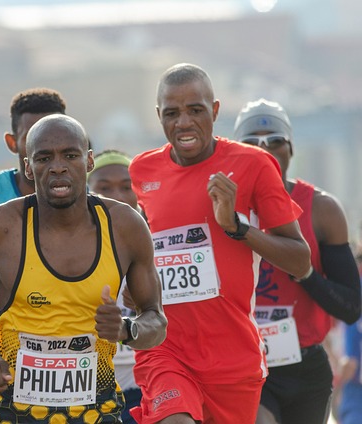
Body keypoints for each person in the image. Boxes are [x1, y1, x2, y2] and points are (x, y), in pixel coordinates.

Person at [0, 114, 167, 422]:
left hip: (97, 411)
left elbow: (156, 321)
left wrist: (126, 329)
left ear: (89, 161)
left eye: (71, 155)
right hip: (19, 414)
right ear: (27, 166)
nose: (58, 166)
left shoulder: (125, 226)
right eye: (44, 158)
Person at [128, 63, 312, 424]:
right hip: (166, 348)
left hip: (232, 356)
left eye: (195, 110)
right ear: (158, 116)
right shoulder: (142, 171)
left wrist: (237, 227)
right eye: (172, 113)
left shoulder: (254, 165)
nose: (183, 123)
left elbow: (301, 261)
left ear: (214, 110)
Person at [233, 98, 361, 424]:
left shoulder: (321, 209)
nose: (265, 151)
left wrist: (304, 273)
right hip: (244, 362)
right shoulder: (223, 209)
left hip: (305, 365)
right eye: (252, 144)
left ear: (291, 148)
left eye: (275, 141)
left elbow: (350, 305)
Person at [87, 149, 143, 423]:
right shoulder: (70, 250)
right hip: (92, 390)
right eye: (104, 188)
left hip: (148, 389)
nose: (118, 197)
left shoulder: (157, 243)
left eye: (126, 187)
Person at [0, 88, 67, 211]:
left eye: (55, 136)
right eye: (32, 137)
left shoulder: (85, 196)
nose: (45, 146)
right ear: (12, 143)